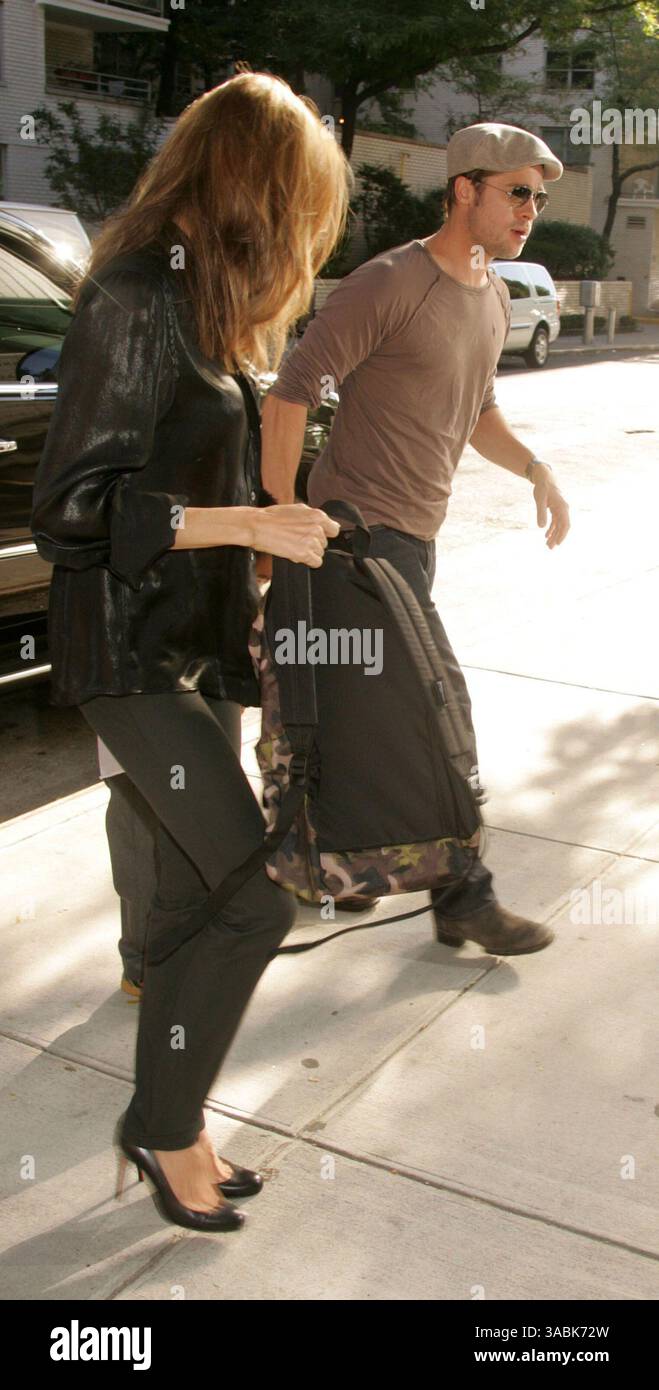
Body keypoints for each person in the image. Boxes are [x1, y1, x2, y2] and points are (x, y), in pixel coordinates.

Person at [30, 71, 347, 1232]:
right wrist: (245, 524)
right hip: (129, 655)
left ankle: (174, 1123)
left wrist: (261, 571)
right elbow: (72, 508)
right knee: (257, 895)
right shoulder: (129, 295)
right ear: (251, 185)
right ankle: (166, 1125)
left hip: (197, 651)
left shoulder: (196, 307)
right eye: (302, 201)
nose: (307, 233)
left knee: (177, 913)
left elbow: (187, 475)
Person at [261, 122, 571, 956]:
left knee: (354, 721)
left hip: (414, 543)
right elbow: (291, 395)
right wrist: (280, 515)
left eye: (537, 198)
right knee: (440, 715)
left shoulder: (493, 292)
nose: (529, 211)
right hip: (357, 542)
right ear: (463, 189)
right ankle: (463, 897)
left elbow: (476, 411)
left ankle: (339, 873)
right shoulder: (389, 282)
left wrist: (535, 467)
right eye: (515, 192)